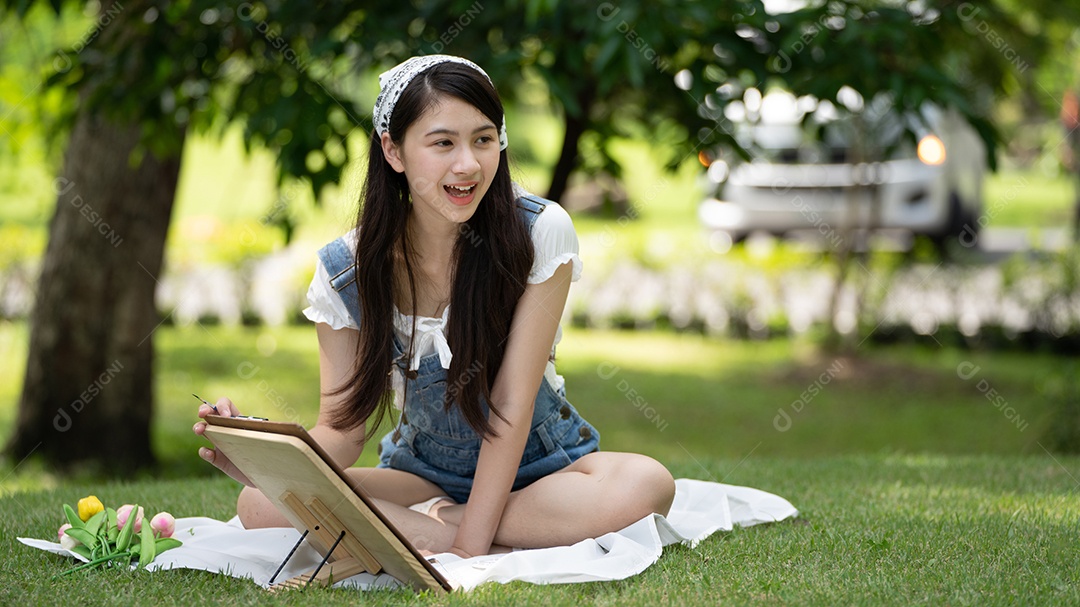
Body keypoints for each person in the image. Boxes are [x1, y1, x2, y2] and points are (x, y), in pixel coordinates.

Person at [193, 55, 675, 558]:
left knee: (647, 484)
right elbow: (340, 429)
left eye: (483, 139)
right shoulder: (347, 271)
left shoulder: (538, 232)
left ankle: (440, 528)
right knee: (258, 505)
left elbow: (510, 407)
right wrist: (268, 461)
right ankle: (479, 528)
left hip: (540, 472)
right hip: (420, 477)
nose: (467, 164)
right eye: (443, 142)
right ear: (393, 151)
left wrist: (466, 546)